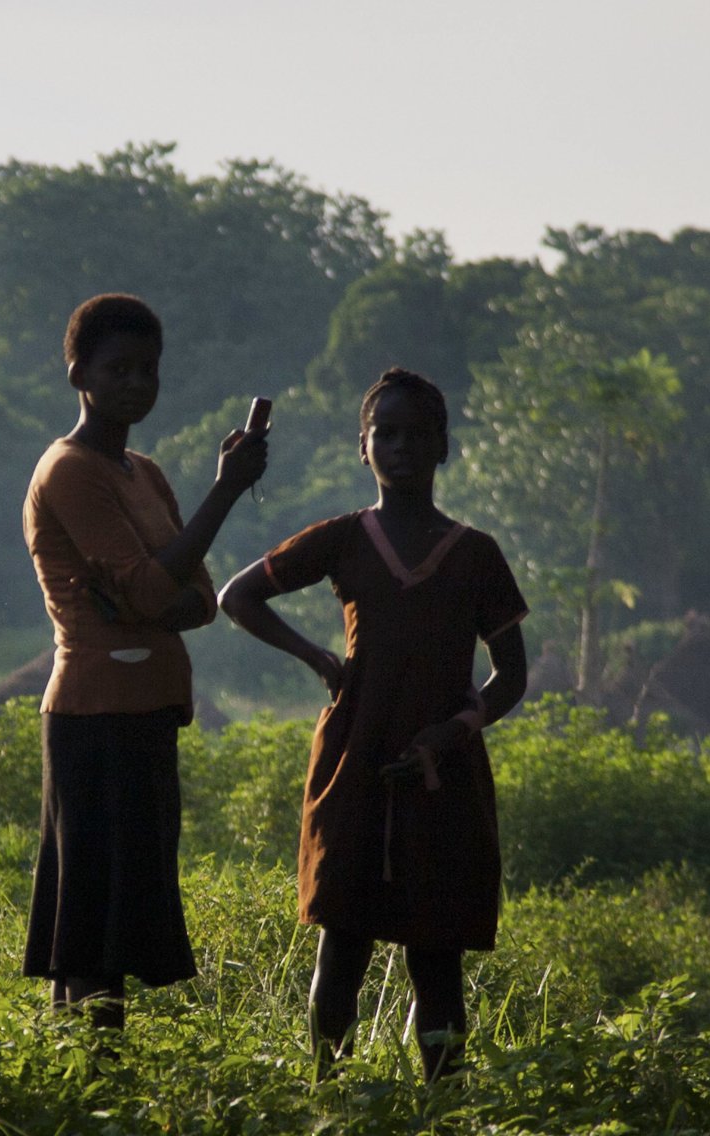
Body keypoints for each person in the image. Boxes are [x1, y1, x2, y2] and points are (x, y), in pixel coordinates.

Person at [218, 367, 528, 1082]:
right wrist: (318, 657)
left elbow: (510, 677)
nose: (401, 446)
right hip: (354, 762)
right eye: (385, 432)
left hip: (441, 774)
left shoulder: (474, 553)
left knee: (437, 960)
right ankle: (329, 1097)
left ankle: (440, 1106)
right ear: (363, 447)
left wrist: (449, 734)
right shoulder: (343, 539)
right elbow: (240, 596)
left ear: (443, 446)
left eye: (418, 433)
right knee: (341, 950)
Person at [22, 293, 268, 1028]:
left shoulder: (145, 472)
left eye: (148, 369)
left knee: (116, 915)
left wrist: (152, 599)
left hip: (147, 711)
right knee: (94, 928)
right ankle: (93, 1082)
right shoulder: (69, 471)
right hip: (95, 716)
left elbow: (195, 598)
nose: (136, 383)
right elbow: (154, 586)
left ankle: (94, 1080)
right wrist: (225, 491)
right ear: (78, 374)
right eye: (117, 368)